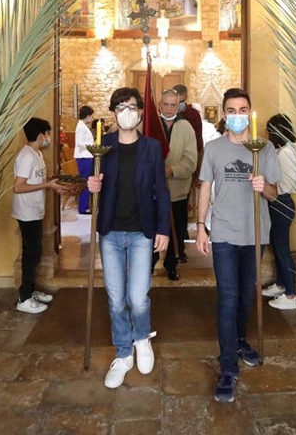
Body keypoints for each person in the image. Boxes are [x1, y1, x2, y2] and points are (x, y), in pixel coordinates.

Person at [195, 88, 282, 403]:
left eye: (242, 109)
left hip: (256, 233)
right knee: (228, 297)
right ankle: (228, 366)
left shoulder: (265, 148)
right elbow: (205, 188)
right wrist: (200, 226)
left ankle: (240, 338)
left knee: (246, 293)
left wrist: (264, 186)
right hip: (224, 233)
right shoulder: (214, 148)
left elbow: (274, 193)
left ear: (250, 112)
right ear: (223, 114)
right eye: (231, 110)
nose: (237, 115)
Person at [86, 87, 171, 389]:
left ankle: (141, 338)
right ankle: (123, 353)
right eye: (121, 107)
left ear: (140, 112)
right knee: (115, 299)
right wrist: (92, 185)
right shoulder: (102, 146)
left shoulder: (151, 148)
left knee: (137, 298)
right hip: (110, 232)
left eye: (132, 107)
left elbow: (160, 190)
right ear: (112, 113)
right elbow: (95, 185)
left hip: (140, 232)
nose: (127, 112)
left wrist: (164, 228)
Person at [12, 117, 63, 314]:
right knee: (31, 255)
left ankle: (30, 291)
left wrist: (52, 182)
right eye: (47, 134)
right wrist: (47, 185)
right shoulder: (26, 157)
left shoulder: (37, 154)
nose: (48, 138)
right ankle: (24, 298)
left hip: (35, 211)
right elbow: (18, 187)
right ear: (41, 135)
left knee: (35, 254)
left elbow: (37, 179)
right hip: (26, 213)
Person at [152, 89, 197, 280]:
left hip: (177, 190)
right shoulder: (149, 125)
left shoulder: (186, 127)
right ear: (159, 105)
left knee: (175, 228)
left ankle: (171, 264)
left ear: (178, 105)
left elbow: (191, 159)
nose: (169, 109)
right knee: (151, 228)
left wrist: (172, 170)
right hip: (152, 191)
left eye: (173, 105)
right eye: (165, 104)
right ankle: (149, 263)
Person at [261, 114, 296, 310]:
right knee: (277, 247)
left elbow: (287, 182)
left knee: (282, 249)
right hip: (279, 201)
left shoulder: (286, 153)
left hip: (281, 201)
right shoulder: (284, 151)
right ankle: (281, 284)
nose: (266, 134)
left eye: (268, 131)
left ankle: (290, 295)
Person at [74, 105, 95, 214]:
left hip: (86, 156)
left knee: (87, 181)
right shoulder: (81, 127)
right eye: (91, 116)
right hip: (84, 157)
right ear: (87, 116)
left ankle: (85, 205)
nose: (91, 119)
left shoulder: (83, 126)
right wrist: (91, 144)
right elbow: (79, 143)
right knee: (85, 182)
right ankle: (83, 207)